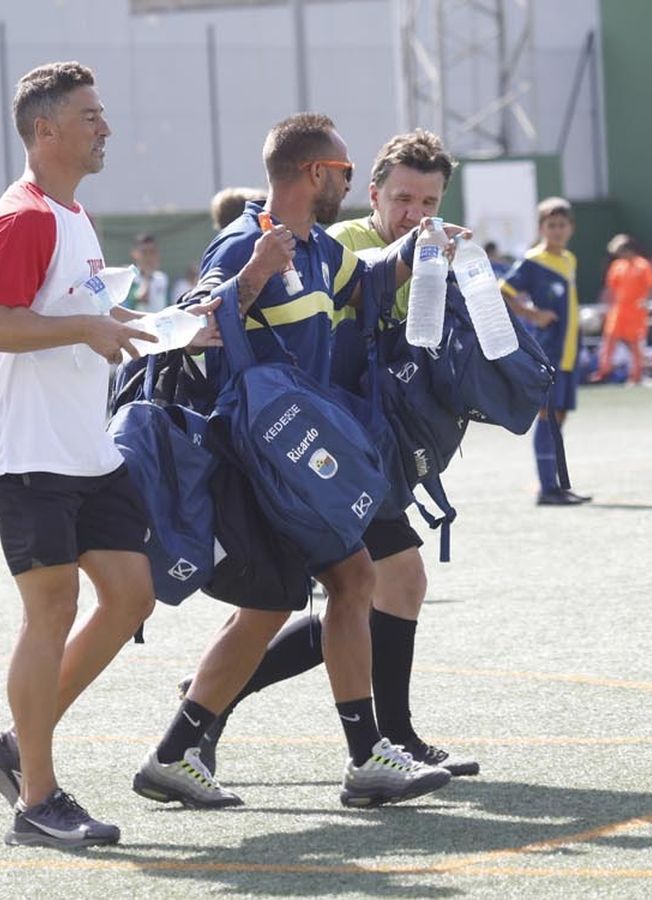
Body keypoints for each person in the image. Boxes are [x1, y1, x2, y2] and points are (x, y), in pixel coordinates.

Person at [132, 114, 453, 812]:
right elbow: (187, 328)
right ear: (316, 175)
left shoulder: (316, 249)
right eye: (343, 172)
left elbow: (362, 287)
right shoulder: (249, 240)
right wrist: (248, 279)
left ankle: (185, 749)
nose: (347, 181)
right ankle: (354, 757)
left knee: (326, 587)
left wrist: (420, 252)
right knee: (321, 588)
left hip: (293, 458)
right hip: (251, 460)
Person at [0, 61, 206, 850]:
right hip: (26, 450)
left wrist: (159, 322)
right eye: (91, 116)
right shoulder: (25, 216)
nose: (106, 127)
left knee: (132, 594)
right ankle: (37, 799)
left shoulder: (73, 214)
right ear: (45, 130)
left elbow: (87, 312)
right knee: (53, 610)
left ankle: (14, 745)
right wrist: (88, 331)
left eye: (103, 114)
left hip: (83, 447)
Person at [502, 198, 592, 506]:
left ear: (571, 228)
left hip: (568, 352)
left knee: (560, 417)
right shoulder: (533, 261)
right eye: (551, 225)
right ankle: (547, 489)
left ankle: (559, 484)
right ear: (541, 228)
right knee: (548, 417)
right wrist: (532, 315)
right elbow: (503, 291)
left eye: (562, 225)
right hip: (548, 351)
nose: (557, 230)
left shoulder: (568, 259)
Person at [594, 234, 652, 385]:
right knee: (609, 339)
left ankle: (636, 375)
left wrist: (646, 300)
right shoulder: (617, 266)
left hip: (636, 312)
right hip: (618, 311)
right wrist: (607, 307)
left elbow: (651, 286)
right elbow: (611, 289)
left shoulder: (643, 265)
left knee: (635, 344)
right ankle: (604, 371)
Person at [123, 233, 171, 312]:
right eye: (144, 252)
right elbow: (142, 298)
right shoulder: (130, 278)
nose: (149, 257)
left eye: (152, 252)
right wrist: (147, 277)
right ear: (135, 254)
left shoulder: (162, 277)